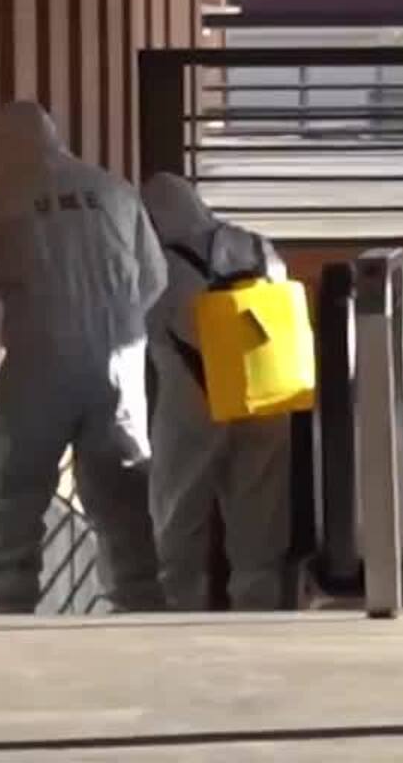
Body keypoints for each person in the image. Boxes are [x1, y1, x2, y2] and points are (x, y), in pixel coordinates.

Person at [0, 101, 167, 613]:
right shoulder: (115, 190)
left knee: (17, 489)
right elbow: (154, 279)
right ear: (56, 138)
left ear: (0, 149)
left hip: (39, 365)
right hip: (118, 362)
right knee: (123, 491)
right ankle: (138, 604)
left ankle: (13, 607)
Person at [139, 173, 295, 612]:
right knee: (259, 519)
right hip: (268, 392)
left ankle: (180, 615)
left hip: (193, 406)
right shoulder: (255, 246)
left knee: (178, 518)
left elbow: (141, 329)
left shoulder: (157, 264)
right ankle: (258, 611)